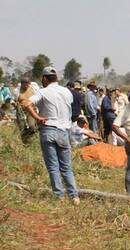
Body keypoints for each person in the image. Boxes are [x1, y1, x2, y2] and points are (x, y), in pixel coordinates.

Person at [22, 67, 80, 205]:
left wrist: (37, 117)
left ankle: (59, 196)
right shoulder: (67, 92)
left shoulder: (43, 91)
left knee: (53, 166)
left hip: (48, 129)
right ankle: (74, 196)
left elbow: (26, 103)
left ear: (44, 78)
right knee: (66, 167)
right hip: (64, 132)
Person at [15, 77, 39, 143]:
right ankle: (25, 142)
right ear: (21, 84)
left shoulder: (33, 89)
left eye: (27, 84)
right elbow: (14, 100)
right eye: (24, 84)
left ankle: (29, 137)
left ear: (29, 84)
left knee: (32, 127)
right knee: (22, 128)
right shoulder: (17, 91)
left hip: (31, 111)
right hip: (21, 112)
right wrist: (14, 103)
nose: (26, 86)